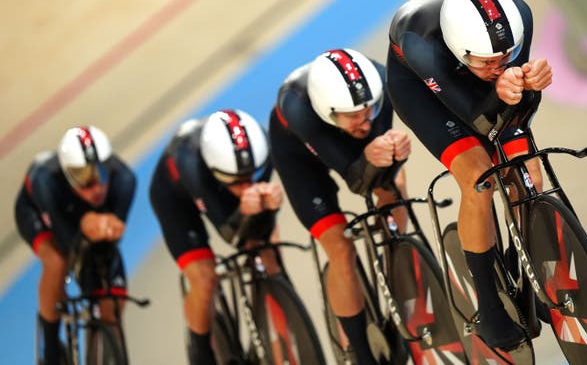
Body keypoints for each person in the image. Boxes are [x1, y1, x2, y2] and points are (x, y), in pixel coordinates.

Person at [385, 0, 553, 350]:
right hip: (423, 89)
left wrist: (529, 83)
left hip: (474, 84)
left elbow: (517, 105)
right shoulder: (421, 43)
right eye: (488, 62)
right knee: (479, 179)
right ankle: (489, 305)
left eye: (506, 56)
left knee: (528, 172)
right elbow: (477, 120)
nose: (498, 66)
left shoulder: (517, 15)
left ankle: (522, 260)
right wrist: (502, 87)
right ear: (462, 52)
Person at [269, 48, 411, 363]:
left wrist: (392, 153)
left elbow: (381, 169)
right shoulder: (297, 105)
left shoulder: (379, 83)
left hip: (347, 141)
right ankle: (361, 352)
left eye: (369, 111)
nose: (364, 122)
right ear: (328, 110)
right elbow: (356, 179)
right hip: (301, 158)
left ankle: (396, 261)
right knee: (341, 250)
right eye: (354, 116)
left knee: (394, 193)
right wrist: (372, 157)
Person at [149, 109, 284, 365]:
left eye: (252, 176)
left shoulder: (263, 150)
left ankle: (283, 342)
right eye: (237, 180)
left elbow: (259, 227)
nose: (246, 184)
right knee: (205, 278)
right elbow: (231, 236)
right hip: (178, 197)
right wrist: (245, 211)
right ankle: (201, 351)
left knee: (269, 252)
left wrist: (269, 206)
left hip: (222, 182)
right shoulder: (191, 162)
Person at [14, 126, 136, 365]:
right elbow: (70, 246)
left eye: (101, 175)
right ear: (67, 175)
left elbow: (109, 244)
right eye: (84, 180)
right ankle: (50, 347)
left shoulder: (125, 180)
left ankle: (101, 348)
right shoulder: (45, 182)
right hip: (40, 214)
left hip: (84, 222)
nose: (97, 187)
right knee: (57, 262)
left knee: (113, 299)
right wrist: (86, 227)